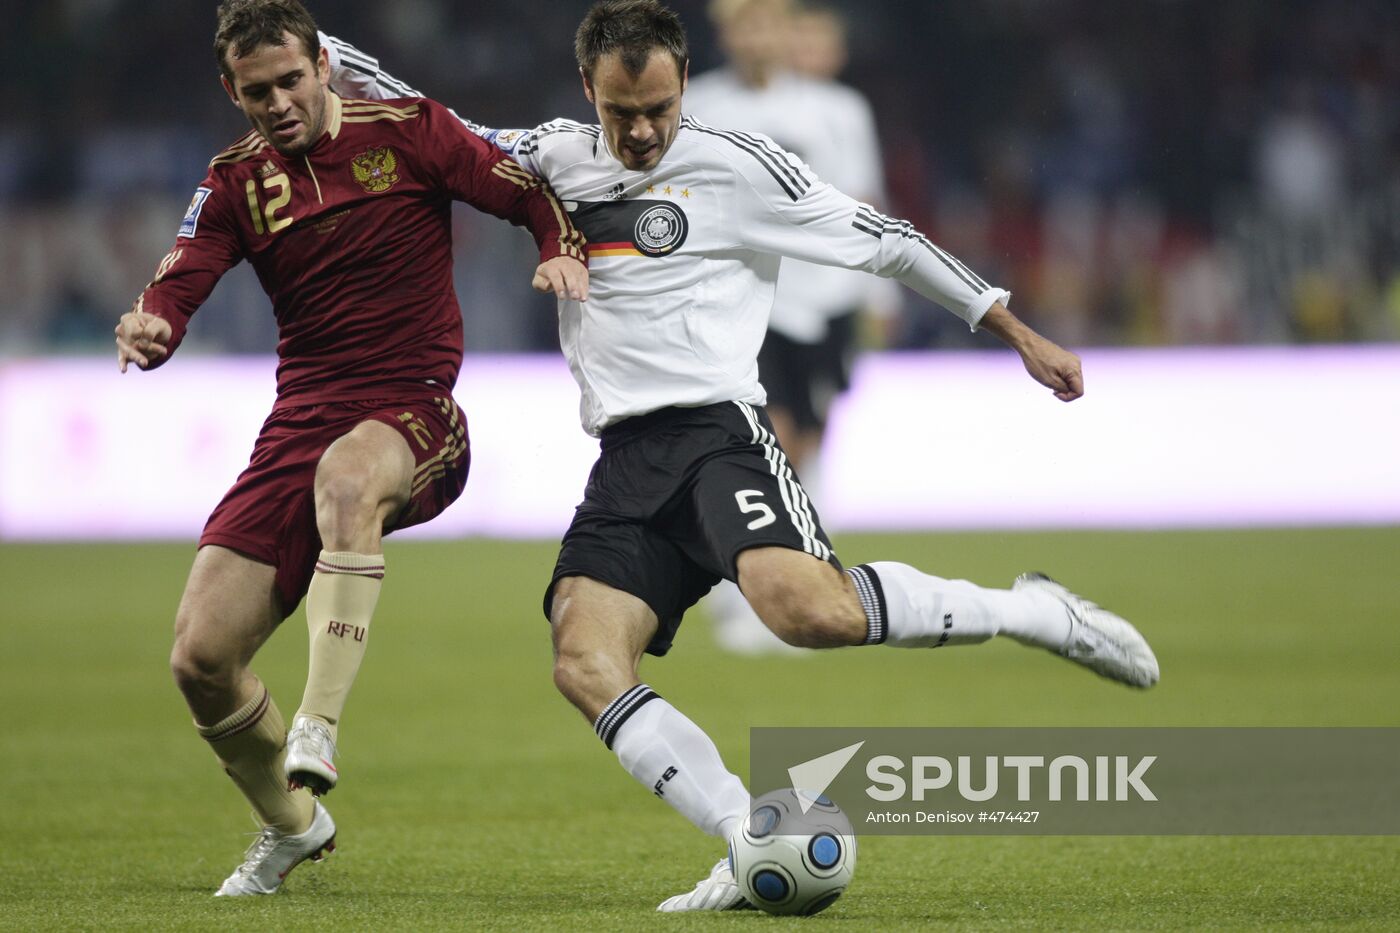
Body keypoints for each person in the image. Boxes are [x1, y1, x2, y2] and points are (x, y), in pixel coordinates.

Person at [327, 0, 1157, 912]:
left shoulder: (736, 166)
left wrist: (1014, 330)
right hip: (624, 456)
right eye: (621, 113)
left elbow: (886, 241)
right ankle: (744, 836)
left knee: (806, 613)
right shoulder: (554, 156)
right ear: (588, 93)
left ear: (683, 82)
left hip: (719, 431)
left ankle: (1025, 608)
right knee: (584, 659)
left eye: (659, 109)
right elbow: (432, 122)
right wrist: (323, 50)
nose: (642, 131)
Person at [115, 0, 587, 897]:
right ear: (233, 92)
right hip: (300, 422)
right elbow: (183, 277)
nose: (280, 102)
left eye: (292, 79)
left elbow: (524, 189)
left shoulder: (409, 131)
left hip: (416, 410)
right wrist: (154, 324)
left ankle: (319, 723)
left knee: (348, 476)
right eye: (258, 92)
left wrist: (561, 249)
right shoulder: (233, 182)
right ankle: (291, 825)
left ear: (324, 64)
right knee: (200, 658)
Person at [686, 0, 900, 654]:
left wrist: (878, 295)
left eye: (768, 24)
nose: (757, 37)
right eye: (744, 24)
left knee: (805, 441)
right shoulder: (699, 104)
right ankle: (742, 588)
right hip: (747, 299)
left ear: (786, 32)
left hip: (826, 296)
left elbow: (864, 204)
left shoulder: (837, 109)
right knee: (768, 437)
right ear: (727, 34)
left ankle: (780, 576)